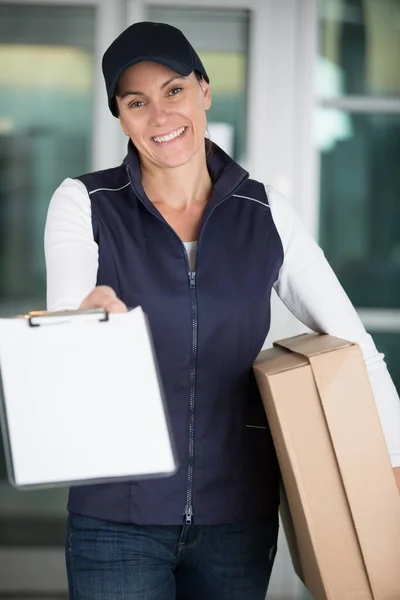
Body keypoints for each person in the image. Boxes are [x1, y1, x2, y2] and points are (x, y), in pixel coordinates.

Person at [44, 21, 400, 600]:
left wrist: (393, 461)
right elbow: (65, 315)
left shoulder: (264, 211)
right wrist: (87, 317)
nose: (159, 116)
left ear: (204, 91)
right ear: (120, 116)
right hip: (116, 518)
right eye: (137, 102)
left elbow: (353, 341)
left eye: (174, 90)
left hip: (235, 518)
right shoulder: (84, 202)